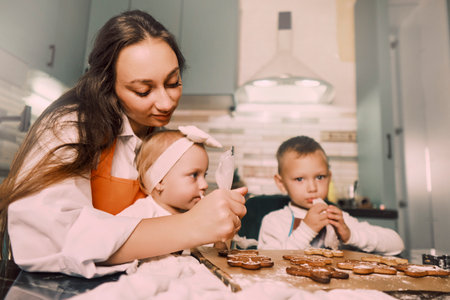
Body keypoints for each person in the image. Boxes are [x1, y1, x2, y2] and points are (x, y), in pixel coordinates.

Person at [0, 10, 246, 278]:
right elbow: (50, 238)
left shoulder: (155, 135)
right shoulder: (70, 126)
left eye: (173, 82)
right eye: (143, 91)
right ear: (108, 85)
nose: (166, 103)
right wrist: (189, 226)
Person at [257, 136, 404, 256]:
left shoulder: (338, 219)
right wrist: (307, 229)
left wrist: (350, 235)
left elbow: (397, 243)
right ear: (281, 183)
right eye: (300, 179)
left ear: (329, 177)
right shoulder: (274, 222)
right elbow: (271, 264)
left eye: (320, 177)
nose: (313, 188)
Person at [120, 125, 222, 218]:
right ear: (160, 181)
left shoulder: (196, 213)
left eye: (205, 175)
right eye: (194, 175)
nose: (204, 185)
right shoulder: (140, 214)